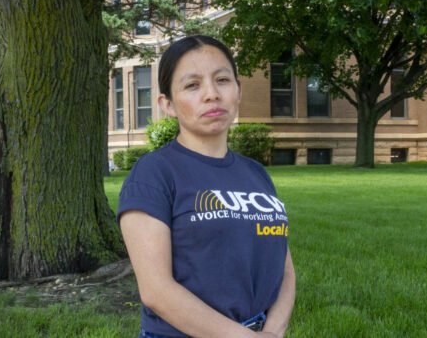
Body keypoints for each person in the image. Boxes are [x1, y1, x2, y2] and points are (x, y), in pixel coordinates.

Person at [117, 35, 295, 338]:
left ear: (238, 91)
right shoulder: (153, 173)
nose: (211, 94)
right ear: (168, 105)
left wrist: (274, 330)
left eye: (222, 80)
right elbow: (156, 291)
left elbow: (285, 268)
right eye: (192, 85)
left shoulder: (256, 173)